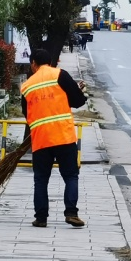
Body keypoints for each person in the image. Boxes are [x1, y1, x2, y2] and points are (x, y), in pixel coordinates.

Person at [19, 47, 87, 228]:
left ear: (33, 64)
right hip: (63, 136)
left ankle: (41, 218)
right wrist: (78, 91)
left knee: (41, 179)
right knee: (71, 176)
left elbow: (27, 114)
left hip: (41, 139)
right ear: (51, 62)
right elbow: (78, 101)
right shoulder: (60, 75)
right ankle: (71, 213)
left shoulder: (26, 86)